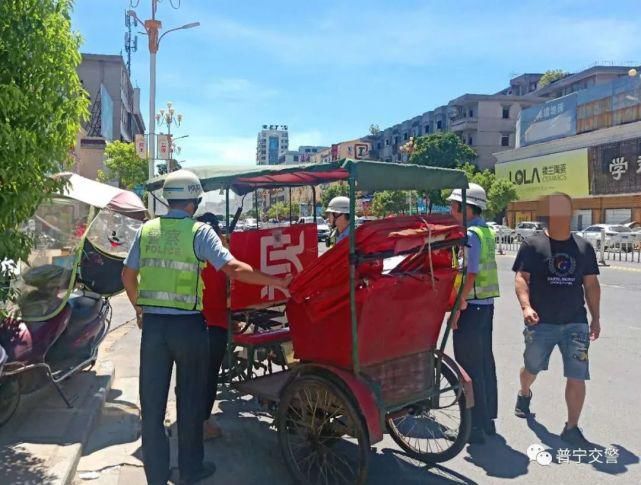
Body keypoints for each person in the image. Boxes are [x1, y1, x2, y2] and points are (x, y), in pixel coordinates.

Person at [121, 170, 290, 485]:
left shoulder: (145, 231)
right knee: (191, 400)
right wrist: (276, 282)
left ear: (169, 199)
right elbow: (233, 269)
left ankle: (156, 476)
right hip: (189, 328)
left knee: (153, 405)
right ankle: (190, 471)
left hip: (154, 330)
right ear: (195, 201)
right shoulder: (199, 232)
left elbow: (127, 276)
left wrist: (139, 309)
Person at [512, 193, 600, 447]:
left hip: (575, 322)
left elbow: (591, 285)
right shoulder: (533, 245)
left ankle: (571, 428)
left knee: (577, 374)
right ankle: (524, 392)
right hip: (541, 322)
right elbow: (521, 278)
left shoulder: (584, 248)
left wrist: (596, 318)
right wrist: (526, 307)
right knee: (532, 368)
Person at [448, 183, 500, 444]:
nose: (450, 210)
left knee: (468, 367)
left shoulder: (470, 234)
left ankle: (475, 427)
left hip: (471, 305)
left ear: (466, 208)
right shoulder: (486, 230)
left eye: (453, 206)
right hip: (486, 306)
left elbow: (470, 273)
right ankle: (487, 420)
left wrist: (458, 307)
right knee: (483, 363)